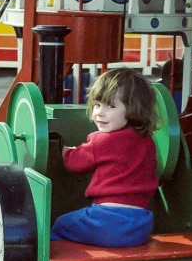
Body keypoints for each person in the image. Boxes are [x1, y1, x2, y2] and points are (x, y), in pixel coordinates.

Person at [50, 68, 159, 247]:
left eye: (110, 106)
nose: (100, 112)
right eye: (97, 105)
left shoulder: (102, 140)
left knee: (61, 224)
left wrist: (64, 151)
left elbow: (74, 164)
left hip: (106, 222)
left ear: (133, 109)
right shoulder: (147, 141)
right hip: (140, 226)